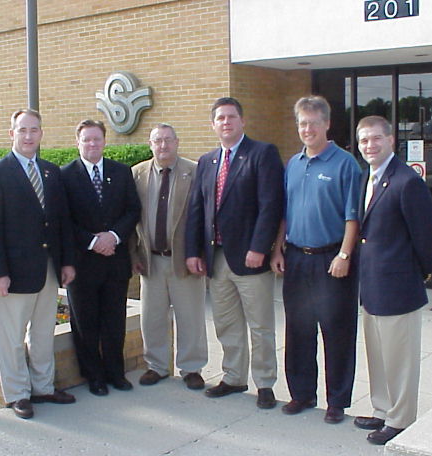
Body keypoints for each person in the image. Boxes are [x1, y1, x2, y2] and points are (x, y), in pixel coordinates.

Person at [185, 97, 284, 409]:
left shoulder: (262, 153)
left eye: (231, 117)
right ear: (213, 125)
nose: (225, 122)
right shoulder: (207, 161)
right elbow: (196, 210)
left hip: (250, 258)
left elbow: (271, 205)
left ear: (242, 121)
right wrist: (193, 252)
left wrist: (260, 247)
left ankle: (265, 382)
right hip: (216, 258)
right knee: (226, 323)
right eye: (220, 118)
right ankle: (233, 377)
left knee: (260, 325)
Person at [0, 109, 76, 419]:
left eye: (34, 130)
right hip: (14, 272)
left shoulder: (51, 172)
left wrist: (67, 262)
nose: (29, 136)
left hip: (48, 267)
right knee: (11, 336)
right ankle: (18, 393)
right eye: (22, 130)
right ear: (12, 134)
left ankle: (44, 387)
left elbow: (61, 223)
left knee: (44, 331)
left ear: (41, 133)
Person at [271, 95, 361, 424]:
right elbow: (284, 212)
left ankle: (337, 401)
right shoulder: (293, 164)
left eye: (313, 122)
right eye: (302, 123)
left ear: (327, 124)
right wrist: (278, 248)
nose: (307, 129)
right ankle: (302, 394)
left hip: (332, 260)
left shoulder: (345, 163)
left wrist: (344, 254)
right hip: (296, 258)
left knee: (336, 332)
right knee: (298, 330)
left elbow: (353, 216)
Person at [354, 116, 432, 445]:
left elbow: (428, 236)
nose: (370, 145)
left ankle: (401, 420)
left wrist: (416, 273)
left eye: (376, 138)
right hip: (372, 285)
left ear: (391, 140)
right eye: (364, 140)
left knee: (400, 359)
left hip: (399, 286)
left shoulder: (407, 181)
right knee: (378, 354)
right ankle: (382, 409)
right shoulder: (367, 177)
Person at [60, 119, 141, 396]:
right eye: (87, 139)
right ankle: (94, 376)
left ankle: (115, 373)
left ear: (104, 141)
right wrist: (93, 241)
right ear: (78, 142)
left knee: (114, 321)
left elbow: (133, 210)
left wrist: (114, 237)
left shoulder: (121, 172)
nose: (92, 144)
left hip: (115, 262)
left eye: (97, 139)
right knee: (85, 323)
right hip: (82, 264)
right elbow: (64, 220)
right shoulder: (65, 175)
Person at [130, 124, 207, 390]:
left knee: (191, 316)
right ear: (150, 144)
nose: (163, 146)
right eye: (157, 141)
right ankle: (157, 366)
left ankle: (192, 368)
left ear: (177, 142)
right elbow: (132, 219)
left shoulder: (194, 171)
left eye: (167, 140)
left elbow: (204, 218)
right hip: (150, 259)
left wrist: (198, 253)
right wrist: (134, 255)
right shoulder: (137, 173)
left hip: (184, 259)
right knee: (152, 317)